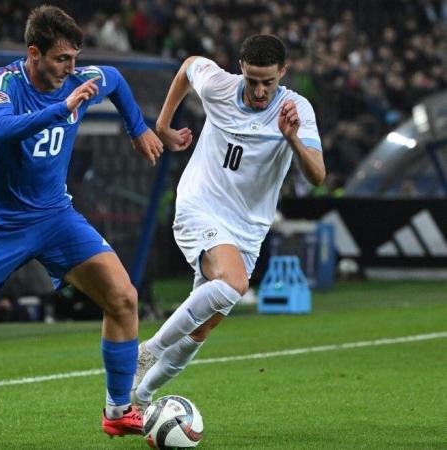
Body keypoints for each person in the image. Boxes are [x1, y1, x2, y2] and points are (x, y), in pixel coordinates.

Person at [0, 5, 163, 446]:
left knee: (123, 298)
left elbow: (115, 79)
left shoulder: (79, 80)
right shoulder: (1, 83)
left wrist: (137, 128)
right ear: (34, 53)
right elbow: (1, 130)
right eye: (62, 59)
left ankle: (118, 411)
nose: (72, 68)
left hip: (54, 217)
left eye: (75, 58)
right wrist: (63, 107)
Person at [131, 34, 326, 409]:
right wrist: (164, 124)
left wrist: (293, 139)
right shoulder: (220, 85)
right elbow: (189, 66)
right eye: (252, 80)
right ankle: (146, 352)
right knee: (234, 283)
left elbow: (317, 176)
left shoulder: (295, 110)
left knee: (200, 328)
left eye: (268, 82)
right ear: (241, 69)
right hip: (200, 206)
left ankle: (139, 397)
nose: (258, 91)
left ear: (283, 73)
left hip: (248, 229)